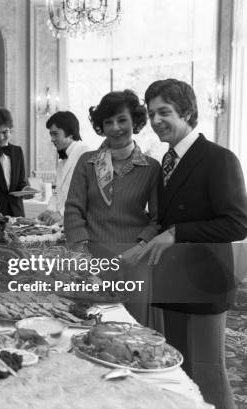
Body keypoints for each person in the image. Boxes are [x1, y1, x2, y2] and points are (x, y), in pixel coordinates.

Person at [138, 79, 247, 409]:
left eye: (164, 112)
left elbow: (237, 222)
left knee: (209, 372)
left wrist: (177, 232)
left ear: (187, 111)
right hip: (173, 281)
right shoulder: (166, 161)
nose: (156, 121)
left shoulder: (219, 158)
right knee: (177, 369)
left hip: (206, 283)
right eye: (151, 113)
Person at [64, 90, 160, 328]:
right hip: (92, 259)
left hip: (134, 261)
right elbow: (74, 209)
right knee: (91, 328)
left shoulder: (151, 167)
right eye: (108, 122)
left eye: (122, 120)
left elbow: (158, 219)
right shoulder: (88, 162)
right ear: (101, 126)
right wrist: (82, 254)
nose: (115, 127)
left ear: (135, 122)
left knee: (134, 332)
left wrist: (139, 248)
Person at [41, 111, 89, 221]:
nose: (52, 139)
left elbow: (86, 194)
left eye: (55, 134)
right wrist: (49, 210)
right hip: (64, 225)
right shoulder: (61, 162)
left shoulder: (85, 154)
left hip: (80, 222)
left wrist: (61, 213)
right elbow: (58, 192)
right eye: (51, 134)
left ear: (70, 133)